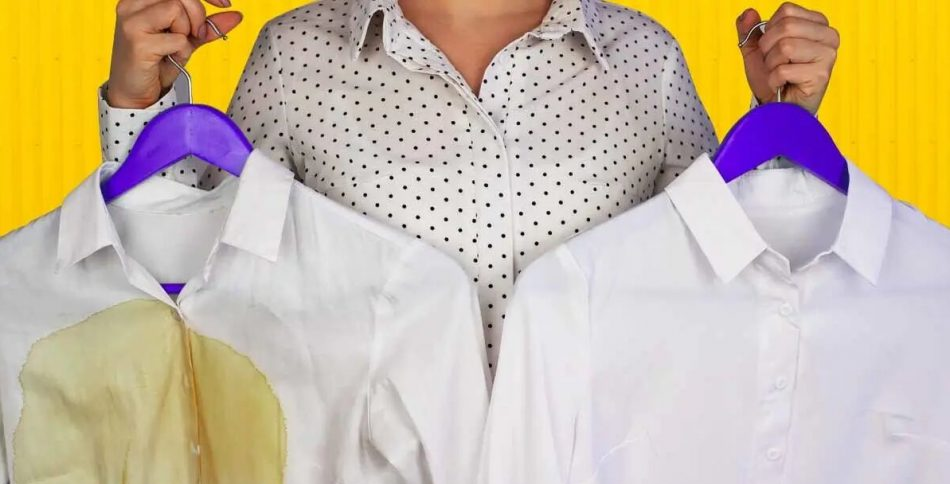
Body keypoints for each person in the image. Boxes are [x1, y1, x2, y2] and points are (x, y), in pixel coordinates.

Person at [99, 0, 840, 370]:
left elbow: (724, 282)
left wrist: (781, 124)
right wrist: (142, 101)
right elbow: (192, 283)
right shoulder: (297, 54)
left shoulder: (646, 58)